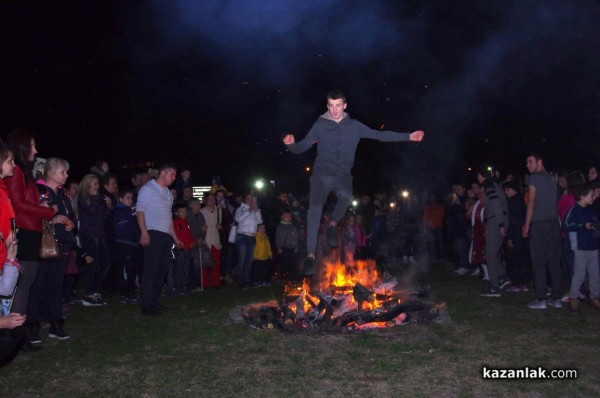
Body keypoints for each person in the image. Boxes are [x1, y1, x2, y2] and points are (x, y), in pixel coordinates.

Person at [283, 89, 424, 274]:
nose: (334, 111)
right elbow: (301, 147)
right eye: (331, 106)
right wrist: (291, 144)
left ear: (345, 106)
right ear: (327, 106)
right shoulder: (319, 125)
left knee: (347, 196)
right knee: (314, 209)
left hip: (342, 176)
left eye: (338, 106)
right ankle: (310, 255)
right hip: (321, 175)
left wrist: (408, 136)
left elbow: (379, 135)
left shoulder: (355, 126)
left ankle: (333, 224)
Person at [4, 130, 56, 352]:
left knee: (27, 283)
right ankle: (15, 335)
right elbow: (18, 204)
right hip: (25, 231)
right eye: (32, 146)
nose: (35, 150)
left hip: (30, 229)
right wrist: (46, 212)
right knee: (23, 285)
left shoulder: (23, 172)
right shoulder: (16, 172)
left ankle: (17, 334)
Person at [30, 158, 76, 341]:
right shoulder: (39, 191)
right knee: (37, 286)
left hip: (61, 243)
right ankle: (32, 326)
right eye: (62, 172)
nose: (66, 175)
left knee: (56, 286)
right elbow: (31, 215)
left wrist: (70, 223)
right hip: (43, 244)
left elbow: (68, 215)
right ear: (49, 173)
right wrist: (50, 219)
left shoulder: (63, 194)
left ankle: (55, 324)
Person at [136, 163, 182, 316]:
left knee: (162, 270)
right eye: (172, 175)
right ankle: (146, 304)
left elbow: (169, 218)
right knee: (151, 270)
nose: (174, 178)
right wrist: (144, 232)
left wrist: (175, 237)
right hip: (152, 233)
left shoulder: (168, 193)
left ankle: (154, 301)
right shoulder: (148, 189)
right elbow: (140, 211)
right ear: (163, 173)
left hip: (165, 236)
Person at [522, 153, 562, 310]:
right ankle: (556, 298)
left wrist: (527, 225)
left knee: (538, 262)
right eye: (527, 162)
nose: (527, 165)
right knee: (554, 262)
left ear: (540, 162)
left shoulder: (535, 178)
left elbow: (531, 201)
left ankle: (541, 299)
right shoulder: (553, 179)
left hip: (540, 224)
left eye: (530, 162)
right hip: (553, 224)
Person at [73, 174, 113, 306]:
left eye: (98, 184)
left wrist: (108, 206)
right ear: (88, 184)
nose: (98, 186)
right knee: (93, 264)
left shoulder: (97, 199)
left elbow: (100, 217)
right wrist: (96, 198)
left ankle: (94, 291)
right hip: (89, 235)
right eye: (95, 183)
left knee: (105, 263)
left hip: (99, 234)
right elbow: (91, 211)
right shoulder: (84, 199)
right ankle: (89, 294)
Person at [564, 184, 600, 311]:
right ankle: (573, 298)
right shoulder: (574, 210)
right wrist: (582, 225)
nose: (594, 197)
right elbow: (567, 224)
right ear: (582, 196)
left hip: (593, 247)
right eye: (591, 195)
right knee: (579, 273)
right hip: (580, 247)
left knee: (595, 273)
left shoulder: (592, 210)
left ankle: (595, 298)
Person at [477, 166, 510, 297]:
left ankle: (494, 287)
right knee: (492, 251)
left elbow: (496, 203)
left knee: (490, 254)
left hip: (495, 220)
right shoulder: (493, 183)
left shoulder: (489, 184)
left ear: (481, 176)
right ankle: (502, 276)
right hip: (498, 219)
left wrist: (501, 224)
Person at [113, 189, 141, 304]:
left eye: (131, 198)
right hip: (125, 243)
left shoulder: (129, 211)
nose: (130, 200)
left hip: (132, 244)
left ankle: (129, 292)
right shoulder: (121, 212)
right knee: (125, 269)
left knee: (130, 269)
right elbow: (122, 229)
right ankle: (124, 294)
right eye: (127, 198)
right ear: (121, 199)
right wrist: (134, 237)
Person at [235, 193, 263, 288]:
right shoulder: (240, 209)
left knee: (249, 261)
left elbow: (259, 222)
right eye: (248, 198)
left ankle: (247, 281)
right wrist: (249, 211)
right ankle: (240, 281)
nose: (250, 201)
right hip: (242, 237)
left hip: (251, 237)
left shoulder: (255, 211)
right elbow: (238, 219)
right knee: (242, 260)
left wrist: (257, 210)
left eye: (252, 199)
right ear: (245, 199)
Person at [171, 203, 196, 294]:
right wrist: (185, 245)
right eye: (181, 211)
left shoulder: (186, 222)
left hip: (187, 248)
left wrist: (193, 242)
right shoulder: (176, 222)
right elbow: (178, 236)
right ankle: (178, 286)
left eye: (185, 211)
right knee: (179, 268)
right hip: (181, 249)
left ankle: (184, 286)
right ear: (176, 213)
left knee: (186, 267)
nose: (184, 213)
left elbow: (189, 235)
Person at [199, 193, 223, 289]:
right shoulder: (202, 211)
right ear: (206, 200)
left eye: (213, 199)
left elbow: (219, 223)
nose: (212, 201)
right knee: (205, 264)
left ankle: (215, 282)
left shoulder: (218, 210)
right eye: (210, 199)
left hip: (216, 238)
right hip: (206, 238)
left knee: (216, 262)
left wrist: (219, 226)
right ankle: (204, 283)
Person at [276, 210, 299, 281]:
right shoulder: (280, 226)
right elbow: (277, 237)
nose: (288, 217)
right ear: (282, 217)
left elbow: (295, 236)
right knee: (284, 262)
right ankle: (283, 276)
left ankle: (291, 276)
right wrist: (279, 247)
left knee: (292, 262)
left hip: (292, 247)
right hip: (284, 247)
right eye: (286, 216)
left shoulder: (292, 226)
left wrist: (296, 246)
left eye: (289, 216)